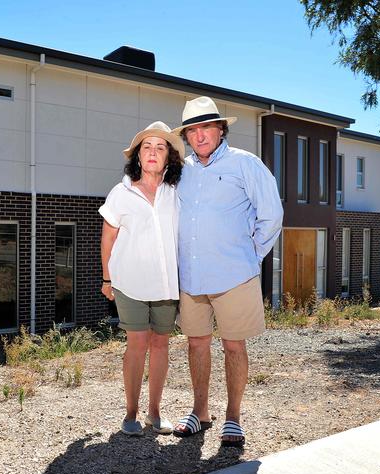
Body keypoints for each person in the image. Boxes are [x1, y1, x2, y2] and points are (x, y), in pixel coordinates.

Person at [170, 96, 283, 447]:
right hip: (192, 278)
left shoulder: (245, 164)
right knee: (197, 344)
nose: (200, 135)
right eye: (193, 130)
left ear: (221, 128)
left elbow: (272, 214)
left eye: (206, 127)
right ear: (187, 136)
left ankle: (233, 417)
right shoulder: (183, 171)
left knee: (234, 346)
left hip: (235, 277)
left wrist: (251, 257)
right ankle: (200, 411)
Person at [99, 121, 185, 436]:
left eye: (160, 147)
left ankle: (155, 413)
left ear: (169, 158)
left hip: (166, 284)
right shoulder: (120, 192)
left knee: (160, 344)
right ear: (138, 156)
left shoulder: (176, 192)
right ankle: (131, 414)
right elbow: (107, 238)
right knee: (136, 344)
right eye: (147, 147)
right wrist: (107, 279)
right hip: (130, 284)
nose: (152, 152)